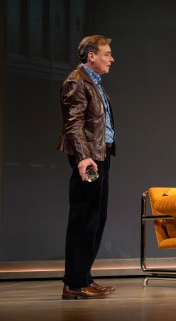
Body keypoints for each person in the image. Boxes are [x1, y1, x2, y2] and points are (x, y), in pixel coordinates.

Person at [57, 35, 116, 299]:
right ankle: (74, 283)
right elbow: (73, 124)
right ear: (91, 56)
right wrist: (83, 158)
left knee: (96, 217)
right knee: (84, 218)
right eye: (107, 53)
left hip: (100, 155)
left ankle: (84, 278)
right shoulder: (76, 81)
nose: (111, 58)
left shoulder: (94, 82)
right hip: (89, 158)